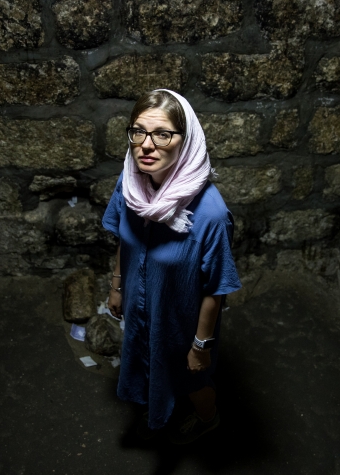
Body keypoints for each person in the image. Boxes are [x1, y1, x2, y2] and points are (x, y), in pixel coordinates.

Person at [101, 89, 242, 444]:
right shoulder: (130, 185)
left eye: (163, 134)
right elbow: (126, 239)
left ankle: (208, 418)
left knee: (191, 379)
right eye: (139, 132)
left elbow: (216, 288)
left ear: (186, 139)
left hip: (180, 321)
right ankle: (158, 403)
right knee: (147, 358)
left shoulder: (210, 215)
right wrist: (117, 287)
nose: (147, 145)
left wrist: (200, 346)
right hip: (141, 306)